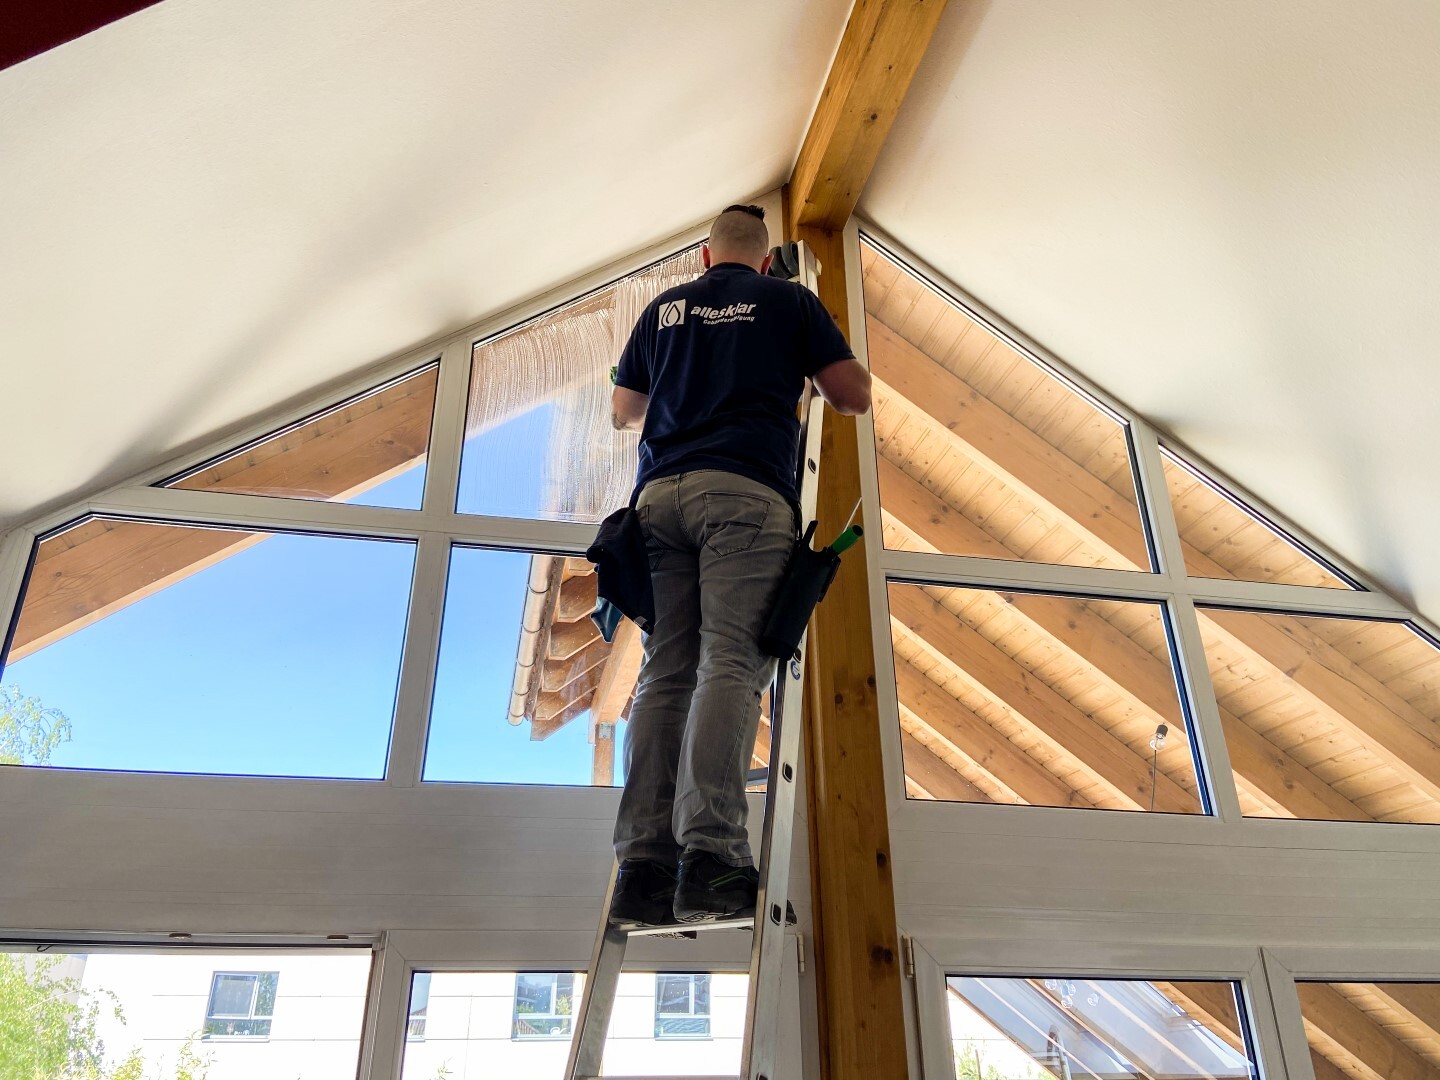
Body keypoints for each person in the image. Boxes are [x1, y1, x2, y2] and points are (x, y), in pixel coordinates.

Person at [606, 204, 872, 927]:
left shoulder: (663, 310)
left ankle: (644, 866)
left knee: (666, 672)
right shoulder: (790, 301)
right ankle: (712, 855)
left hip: (657, 500)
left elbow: (623, 409)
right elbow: (853, 397)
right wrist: (796, 373)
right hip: (745, 493)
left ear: (705, 255)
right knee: (729, 662)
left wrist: (683, 385)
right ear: (763, 257)